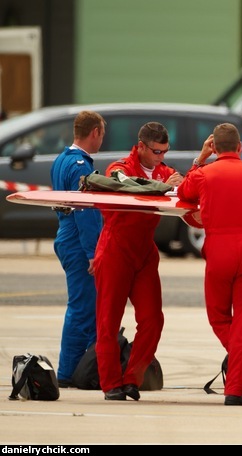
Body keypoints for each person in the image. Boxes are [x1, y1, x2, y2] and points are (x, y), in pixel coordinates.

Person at [178, 123, 242, 406]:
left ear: (215, 148)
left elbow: (184, 193)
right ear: (239, 148)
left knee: (220, 318)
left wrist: (200, 159)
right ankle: (236, 390)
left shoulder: (204, 173)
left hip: (220, 249)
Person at [94, 122, 183, 401]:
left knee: (153, 320)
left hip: (145, 253)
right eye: (156, 151)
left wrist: (191, 173)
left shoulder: (164, 171)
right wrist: (162, 187)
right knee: (108, 321)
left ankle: (133, 379)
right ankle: (111, 384)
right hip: (115, 250)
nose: (161, 157)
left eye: (165, 152)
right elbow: (125, 186)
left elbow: (182, 185)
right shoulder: (119, 168)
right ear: (141, 146)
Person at [49, 110, 106, 387]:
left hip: (64, 234)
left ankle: (83, 367)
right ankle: (68, 372)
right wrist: (93, 252)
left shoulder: (61, 160)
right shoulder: (82, 167)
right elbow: (85, 213)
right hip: (77, 240)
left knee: (84, 306)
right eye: (102, 134)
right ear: (94, 132)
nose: (101, 140)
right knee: (82, 308)